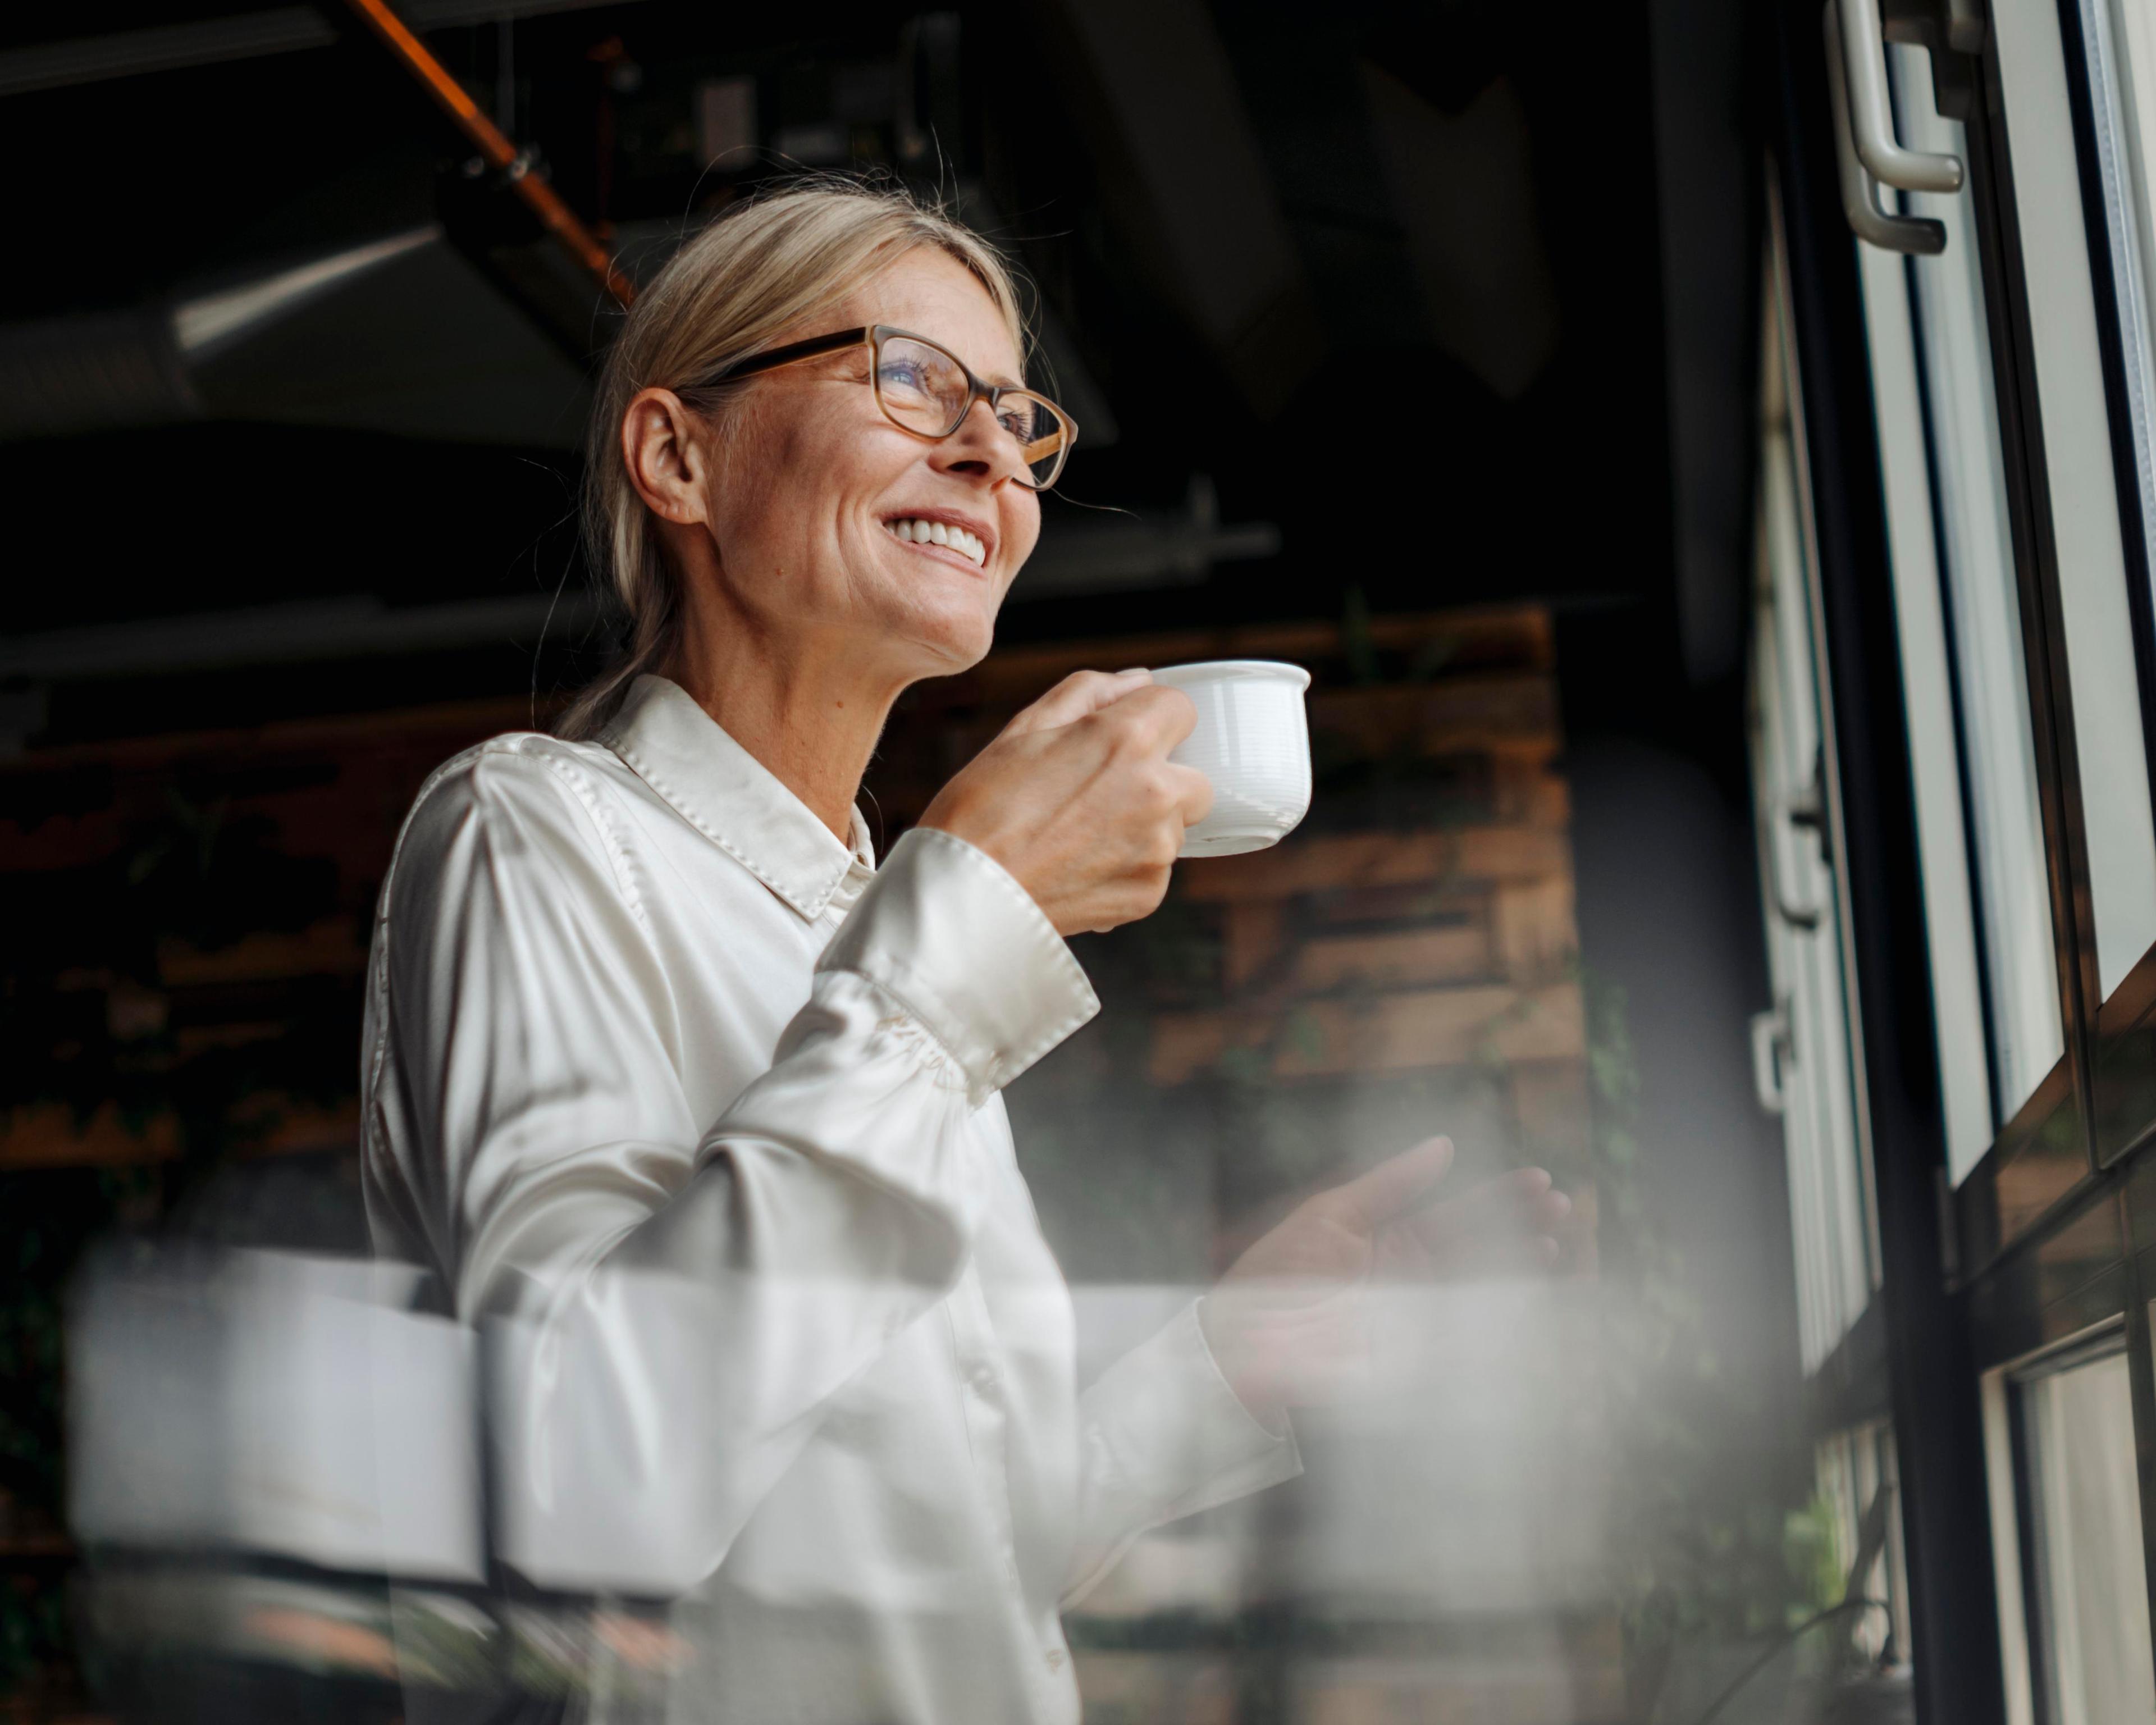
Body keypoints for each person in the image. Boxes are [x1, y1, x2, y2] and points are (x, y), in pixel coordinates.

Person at [361, 179, 1569, 1724]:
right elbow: (594, 1483)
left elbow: (927, 1552)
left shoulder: (890, 921)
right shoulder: (529, 834)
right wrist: (962, 941)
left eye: (1016, 414)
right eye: (910, 377)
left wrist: (1230, 1361)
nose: (993, 448)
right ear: (680, 455)